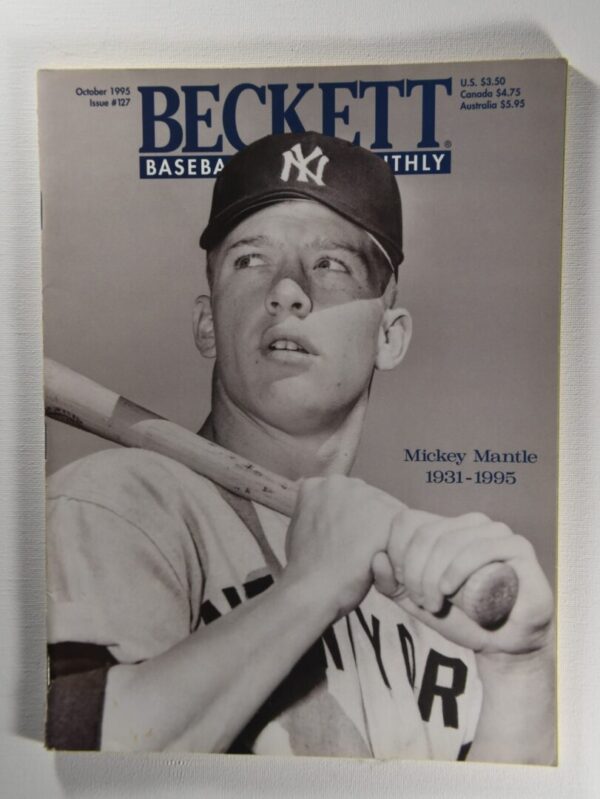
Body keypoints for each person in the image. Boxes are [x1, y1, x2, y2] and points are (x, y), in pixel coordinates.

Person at [46, 132, 555, 761]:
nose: (288, 290)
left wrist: (519, 672)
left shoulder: (427, 586)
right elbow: (68, 768)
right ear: (208, 322)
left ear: (389, 337)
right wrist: (309, 590)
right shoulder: (124, 500)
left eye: (330, 265)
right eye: (251, 260)